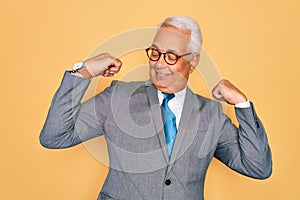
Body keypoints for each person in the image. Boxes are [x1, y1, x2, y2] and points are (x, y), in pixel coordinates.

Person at [40, 16, 272, 200]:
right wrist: (84, 71)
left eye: (171, 55)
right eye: (155, 52)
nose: (159, 63)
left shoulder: (211, 115)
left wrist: (242, 103)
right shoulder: (117, 97)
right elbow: (54, 136)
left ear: (193, 62)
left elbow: (257, 167)